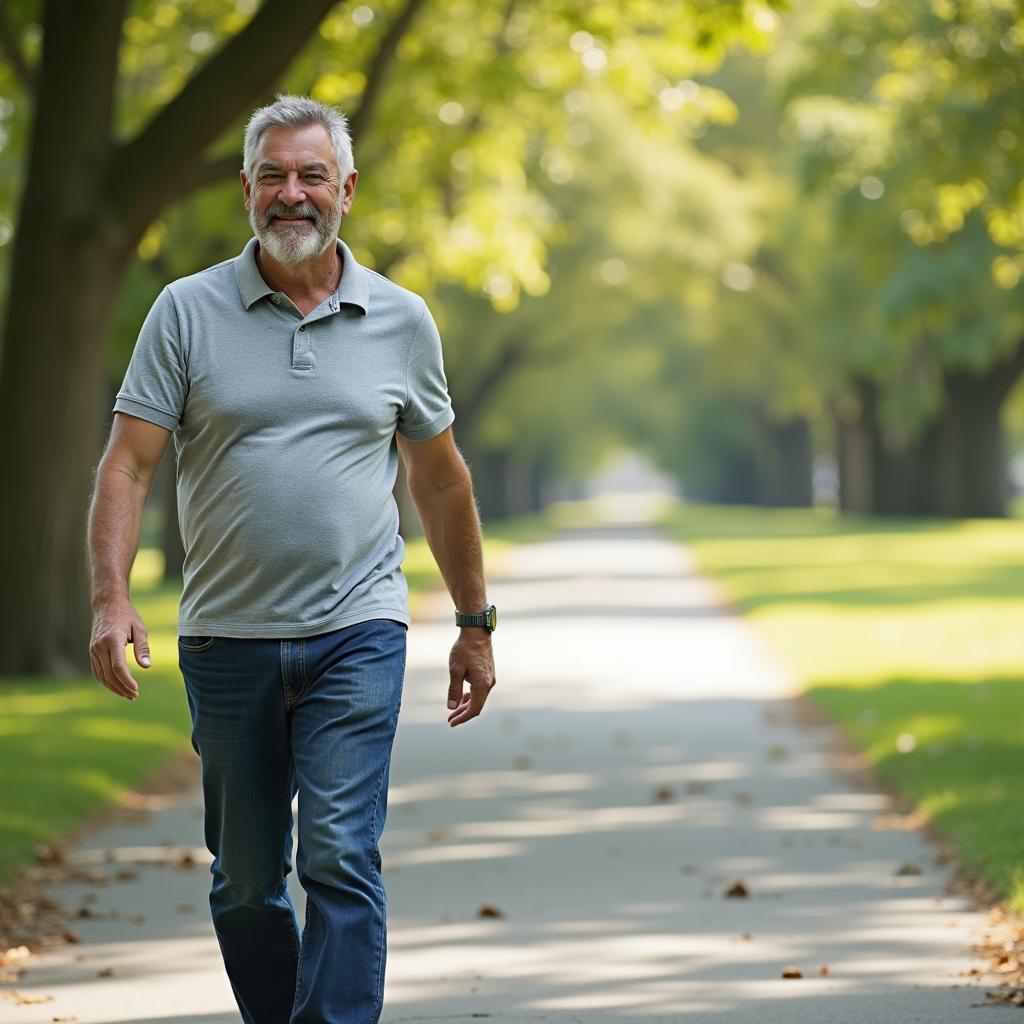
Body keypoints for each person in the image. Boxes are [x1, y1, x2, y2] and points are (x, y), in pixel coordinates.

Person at [87, 94, 497, 1024]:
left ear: (346, 189)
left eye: (312, 175)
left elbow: (440, 483)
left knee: (342, 857)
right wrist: (111, 597)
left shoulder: (401, 320)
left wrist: (474, 623)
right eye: (272, 175)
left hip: (359, 630)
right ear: (245, 190)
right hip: (227, 641)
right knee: (244, 885)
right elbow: (128, 462)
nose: (292, 193)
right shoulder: (184, 313)